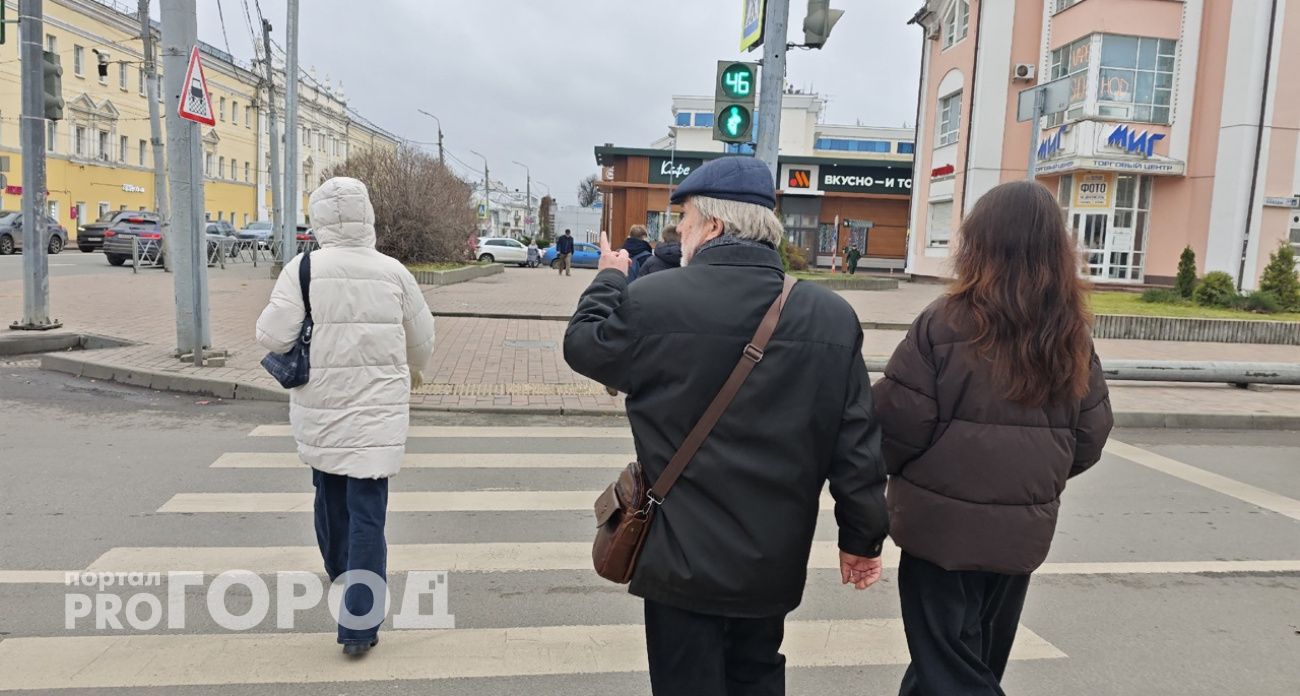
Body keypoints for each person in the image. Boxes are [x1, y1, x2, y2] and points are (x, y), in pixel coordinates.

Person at [564, 156, 889, 696]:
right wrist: (863, 539)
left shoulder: (654, 300)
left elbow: (583, 346)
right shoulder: (829, 317)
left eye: (685, 222)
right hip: (771, 562)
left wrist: (608, 279)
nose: (681, 235)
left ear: (713, 225)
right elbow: (856, 446)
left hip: (678, 563)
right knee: (758, 675)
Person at [872, 180, 1113, 695]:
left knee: (950, 670)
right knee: (964, 662)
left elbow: (896, 426)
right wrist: (1029, 476)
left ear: (978, 242)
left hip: (939, 533)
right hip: (1019, 533)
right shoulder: (1070, 332)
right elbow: (1090, 434)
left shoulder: (943, 322)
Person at [255, 177, 436, 657]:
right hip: (378, 415)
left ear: (319, 220)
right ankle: (360, 622)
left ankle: (342, 575)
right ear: (368, 215)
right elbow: (423, 344)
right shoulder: (394, 272)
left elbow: (273, 336)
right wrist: (410, 367)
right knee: (368, 519)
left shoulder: (304, 269)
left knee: (330, 501)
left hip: (324, 410)